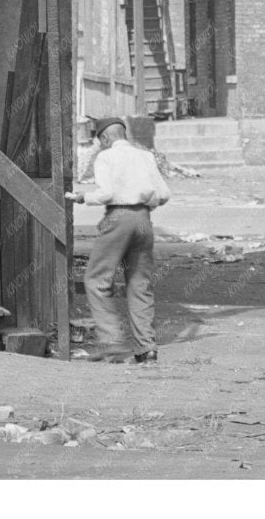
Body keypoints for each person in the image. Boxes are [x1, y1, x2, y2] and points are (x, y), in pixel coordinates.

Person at [70, 114, 171, 363]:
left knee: (96, 280)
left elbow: (106, 194)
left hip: (118, 217)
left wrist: (83, 198)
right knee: (140, 284)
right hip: (144, 219)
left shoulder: (105, 156)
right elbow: (164, 193)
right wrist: (144, 203)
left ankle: (112, 343)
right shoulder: (145, 156)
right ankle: (146, 348)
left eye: (100, 141)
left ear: (105, 138)